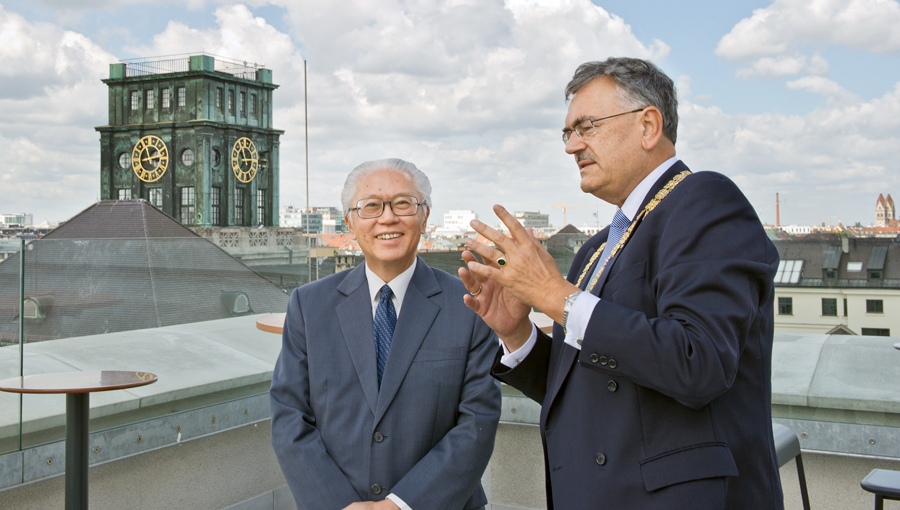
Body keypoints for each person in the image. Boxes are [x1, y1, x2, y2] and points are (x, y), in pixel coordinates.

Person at [460, 57, 784, 509]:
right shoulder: (597, 247)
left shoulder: (705, 200)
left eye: (586, 126)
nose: (572, 146)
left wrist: (557, 296)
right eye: (567, 132)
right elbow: (587, 383)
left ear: (648, 125)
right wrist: (517, 332)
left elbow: (699, 361)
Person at [270, 158, 501, 510]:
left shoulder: (470, 305)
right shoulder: (308, 305)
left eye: (403, 203)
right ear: (350, 220)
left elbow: (477, 422)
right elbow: (289, 415)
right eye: (371, 206)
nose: (388, 217)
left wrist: (400, 505)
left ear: (425, 216)